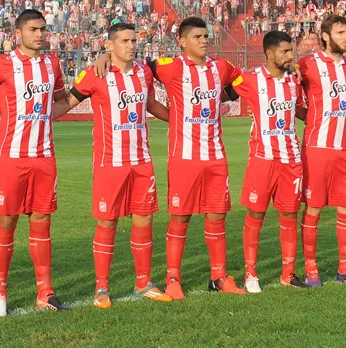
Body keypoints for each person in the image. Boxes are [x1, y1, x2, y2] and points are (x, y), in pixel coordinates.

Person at [96, 17, 246, 298]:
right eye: (197, 37)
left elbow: (241, 82)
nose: (204, 41)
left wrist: (220, 98)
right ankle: (172, 277)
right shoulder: (170, 67)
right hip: (183, 157)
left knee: (217, 217)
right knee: (180, 218)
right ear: (182, 41)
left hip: (216, 156)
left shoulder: (221, 67)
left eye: (206, 36)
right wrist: (108, 53)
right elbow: (135, 65)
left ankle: (219, 276)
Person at [51, 23, 172, 306]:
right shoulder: (96, 73)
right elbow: (67, 103)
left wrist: (178, 119)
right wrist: (38, 117)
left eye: (134, 40)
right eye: (125, 41)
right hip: (110, 162)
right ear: (111, 46)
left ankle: (143, 283)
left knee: (144, 220)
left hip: (142, 160)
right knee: (108, 222)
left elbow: (152, 104)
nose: (131, 45)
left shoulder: (143, 72)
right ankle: (101, 288)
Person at [0, 9, 68, 316]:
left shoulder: (52, 64)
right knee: (6, 222)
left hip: (45, 157)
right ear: (18, 33)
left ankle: (45, 291)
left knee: (42, 223)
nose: (40, 34)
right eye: (33, 29)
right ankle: (0, 292)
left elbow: (60, 101)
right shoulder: (2, 64)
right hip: (11, 157)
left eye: (43, 29)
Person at [231, 31, 308, 291]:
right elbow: (224, 85)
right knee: (256, 213)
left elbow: (299, 109)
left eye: (291, 50)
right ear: (269, 54)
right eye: (285, 51)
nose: (291, 55)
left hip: (291, 159)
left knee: (289, 214)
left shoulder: (294, 81)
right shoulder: (251, 79)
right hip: (263, 159)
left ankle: (288, 273)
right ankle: (250, 273)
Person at [296, 15, 346, 285]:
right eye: (340, 32)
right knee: (313, 208)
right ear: (325, 36)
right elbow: (289, 99)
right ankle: (311, 270)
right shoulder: (307, 64)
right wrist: (311, 117)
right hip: (317, 147)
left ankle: (345, 269)